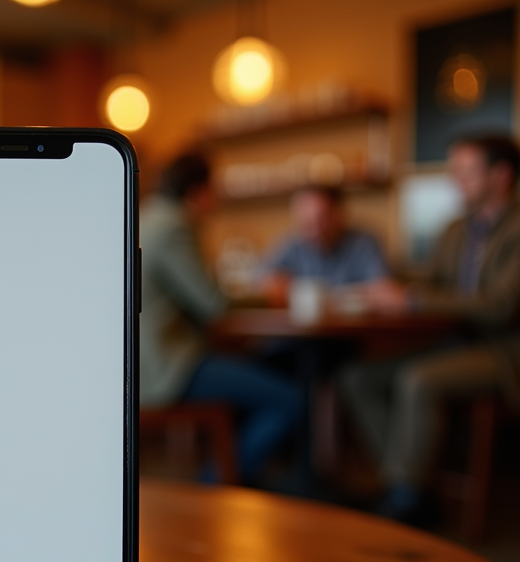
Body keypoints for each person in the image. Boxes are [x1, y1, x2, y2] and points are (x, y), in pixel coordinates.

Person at [340, 134, 520, 521]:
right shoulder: (457, 229)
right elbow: (433, 283)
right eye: (454, 171)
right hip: (455, 342)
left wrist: (414, 300)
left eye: (466, 173)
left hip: (503, 350)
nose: (456, 181)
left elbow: (501, 306)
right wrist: (393, 287)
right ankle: (406, 484)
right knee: (358, 378)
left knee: (418, 379)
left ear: (502, 175)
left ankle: (405, 499)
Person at [141, 152, 301, 484]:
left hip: (146, 362)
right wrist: (266, 292)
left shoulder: (149, 217)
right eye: (214, 190)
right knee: (289, 399)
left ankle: (247, 477)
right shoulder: (174, 226)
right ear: (198, 191)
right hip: (168, 369)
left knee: (260, 370)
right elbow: (213, 304)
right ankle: (214, 483)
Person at [259, 184, 393, 304]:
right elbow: (262, 284)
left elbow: (385, 290)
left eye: (321, 220)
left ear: (340, 214)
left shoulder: (364, 242)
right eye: (306, 224)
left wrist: (322, 295)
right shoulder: (289, 244)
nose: (315, 231)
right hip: (303, 330)